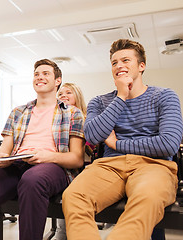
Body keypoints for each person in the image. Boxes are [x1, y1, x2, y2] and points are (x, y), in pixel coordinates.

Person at [62, 39, 183, 240]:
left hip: (154, 165)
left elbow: (168, 144)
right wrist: (121, 96)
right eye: (114, 62)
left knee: (147, 198)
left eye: (126, 60)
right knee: (73, 196)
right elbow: (92, 135)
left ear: (141, 66)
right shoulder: (100, 101)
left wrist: (117, 144)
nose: (119, 66)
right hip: (109, 166)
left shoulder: (165, 96)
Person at [0, 59, 85, 240]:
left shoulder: (72, 113)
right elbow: (5, 149)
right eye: (36, 74)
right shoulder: (18, 112)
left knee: (32, 181)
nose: (39, 77)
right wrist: (1, 158)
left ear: (58, 80)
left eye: (45, 73)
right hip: (17, 163)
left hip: (52, 166)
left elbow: (76, 159)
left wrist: (47, 156)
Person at [53, 82, 88, 240]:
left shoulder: (86, 119)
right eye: (60, 94)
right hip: (60, 166)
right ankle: (62, 233)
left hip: (83, 169)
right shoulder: (56, 121)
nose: (63, 96)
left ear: (77, 97)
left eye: (69, 93)